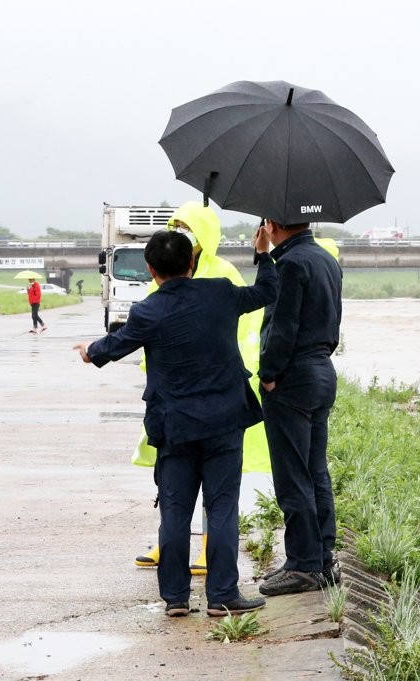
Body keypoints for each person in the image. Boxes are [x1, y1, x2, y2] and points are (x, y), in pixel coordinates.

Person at [74, 229, 277, 617]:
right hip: (223, 423)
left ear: (151, 270)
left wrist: (88, 352)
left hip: (175, 427)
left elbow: (112, 348)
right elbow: (267, 291)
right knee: (221, 509)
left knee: (175, 512)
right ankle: (221, 596)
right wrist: (262, 254)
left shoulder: (148, 310)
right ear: (191, 262)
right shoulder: (221, 292)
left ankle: (176, 599)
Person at [132, 203, 271, 574]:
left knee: (218, 493)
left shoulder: (224, 275)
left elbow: (245, 327)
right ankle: (172, 551)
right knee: (174, 487)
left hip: (213, 396)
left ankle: (206, 552)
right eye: (174, 225)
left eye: (186, 226)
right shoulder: (163, 273)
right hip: (172, 400)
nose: (179, 231)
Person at [257, 219, 343, 597]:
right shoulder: (326, 259)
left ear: (272, 223)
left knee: (292, 474)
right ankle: (321, 559)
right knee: (315, 470)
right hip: (323, 370)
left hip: (293, 375)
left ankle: (303, 565)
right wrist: (264, 256)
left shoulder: (291, 264)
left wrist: (269, 372)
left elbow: (283, 324)